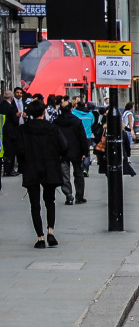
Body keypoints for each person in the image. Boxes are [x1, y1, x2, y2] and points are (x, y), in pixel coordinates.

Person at [20, 99, 69, 248]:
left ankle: (40, 238)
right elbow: (64, 146)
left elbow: (20, 150)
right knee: (50, 201)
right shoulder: (52, 128)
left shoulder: (23, 130)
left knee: (35, 204)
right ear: (43, 112)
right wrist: (57, 158)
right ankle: (51, 232)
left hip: (31, 167)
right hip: (50, 167)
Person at [54, 102, 90, 205]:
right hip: (76, 151)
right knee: (78, 173)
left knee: (64, 174)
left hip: (62, 151)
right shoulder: (76, 121)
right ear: (71, 109)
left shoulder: (57, 122)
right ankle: (79, 196)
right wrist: (85, 152)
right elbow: (82, 137)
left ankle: (68, 195)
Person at [1, 88, 20, 176]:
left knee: (6, 151)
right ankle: (9, 170)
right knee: (11, 152)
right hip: (11, 133)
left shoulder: (1, 105)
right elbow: (15, 121)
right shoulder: (11, 108)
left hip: (3, 131)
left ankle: (5, 169)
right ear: (12, 98)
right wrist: (17, 116)